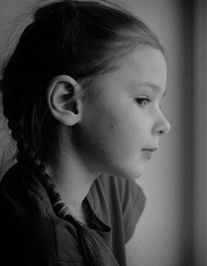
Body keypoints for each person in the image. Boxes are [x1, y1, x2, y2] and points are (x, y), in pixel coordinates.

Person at [0, 1, 171, 265]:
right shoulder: (49, 248)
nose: (165, 124)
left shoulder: (107, 183)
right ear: (68, 101)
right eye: (142, 99)